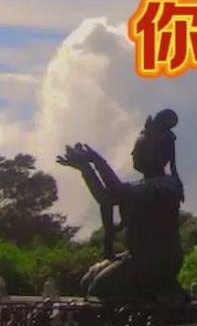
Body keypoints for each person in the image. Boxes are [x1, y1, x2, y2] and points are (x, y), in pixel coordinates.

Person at [57, 109, 185, 303]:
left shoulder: (165, 186)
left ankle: (138, 315)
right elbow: (106, 198)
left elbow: (117, 191)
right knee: (88, 279)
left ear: (157, 155)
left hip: (157, 261)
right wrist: (85, 167)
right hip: (138, 256)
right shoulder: (143, 185)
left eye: (139, 149)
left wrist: (98, 161)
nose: (133, 153)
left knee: (100, 287)